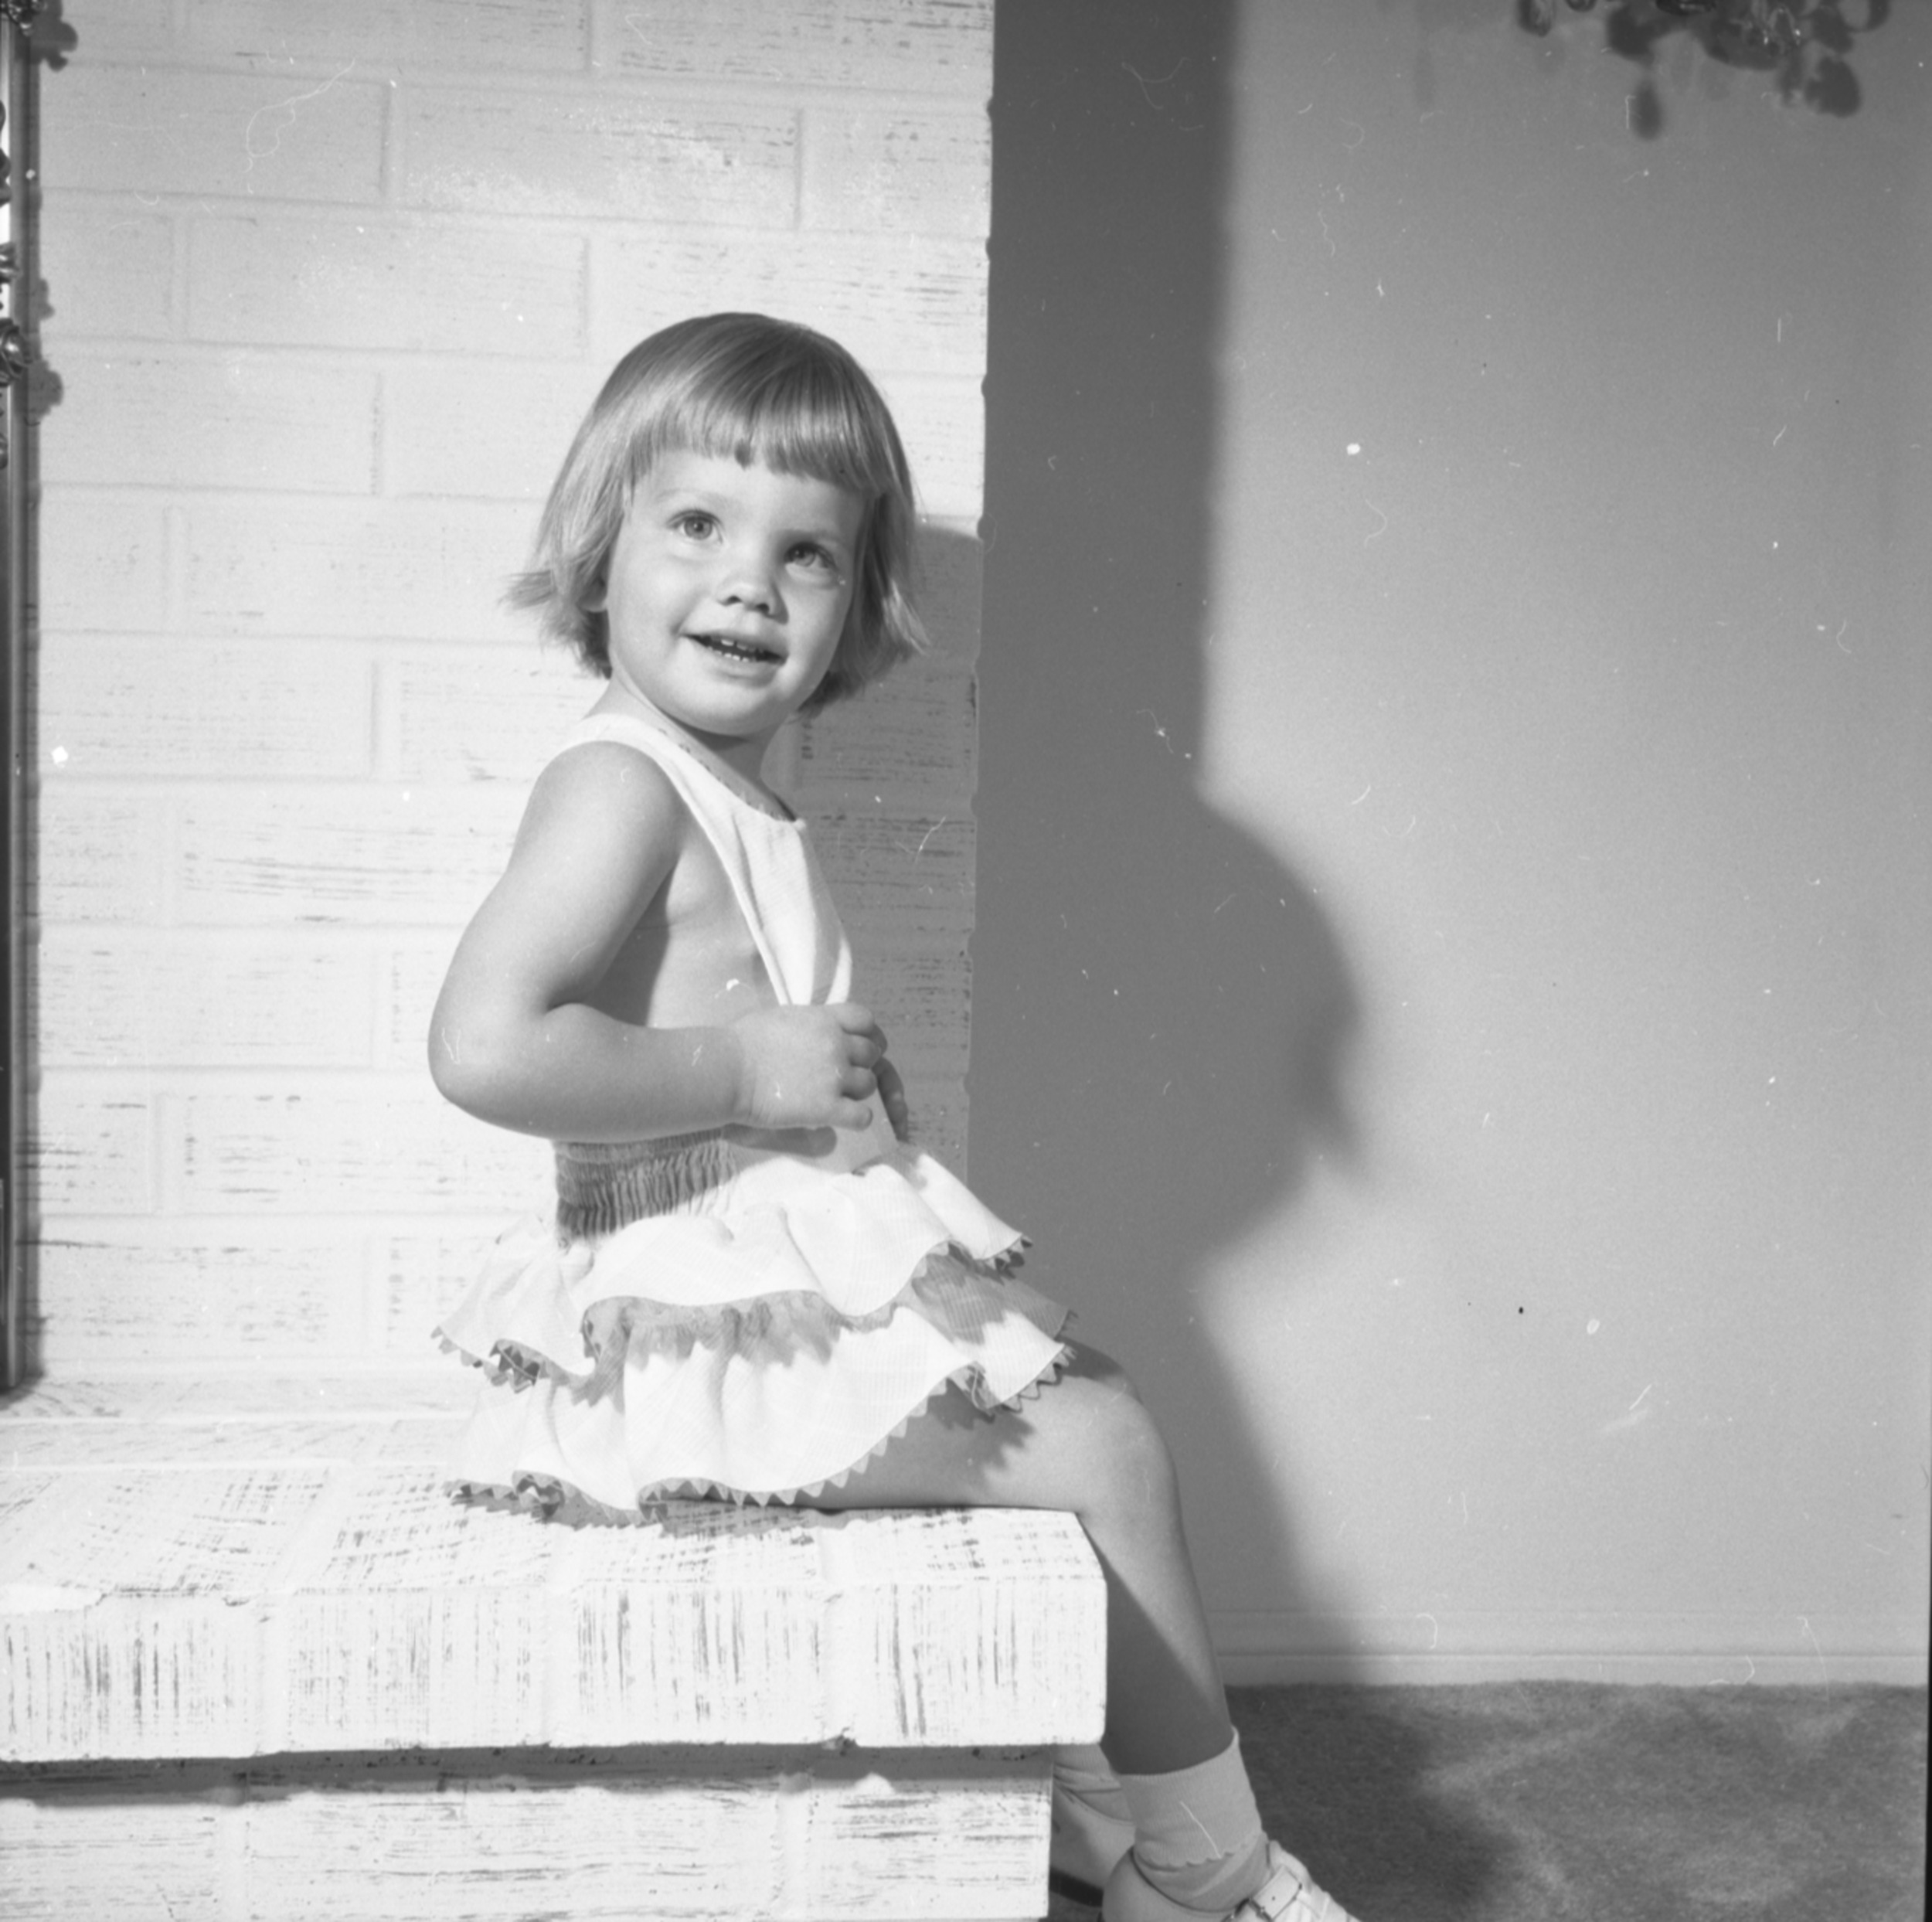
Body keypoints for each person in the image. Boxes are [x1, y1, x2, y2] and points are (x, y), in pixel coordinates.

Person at [429, 312, 1362, 1922]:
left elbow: (760, 1035)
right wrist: (745, 1075)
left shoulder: (734, 790)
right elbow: (485, 1045)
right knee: (1104, 1444)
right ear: (601, 545)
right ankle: (1205, 1870)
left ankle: (1095, 1824)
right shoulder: (621, 784)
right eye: (698, 526)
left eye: (806, 555)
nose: (747, 583)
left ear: (853, 605)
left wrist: (847, 1114)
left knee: (1083, 1394)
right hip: (682, 1359)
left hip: (762, 1306)